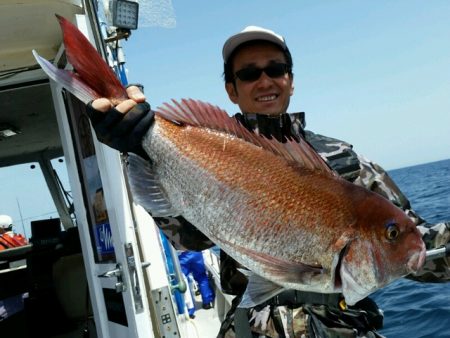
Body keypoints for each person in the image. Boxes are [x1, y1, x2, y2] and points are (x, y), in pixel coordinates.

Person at [86, 26, 450, 337]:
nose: (264, 80)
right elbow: (192, 239)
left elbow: (413, 244)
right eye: (248, 74)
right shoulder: (208, 148)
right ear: (231, 89)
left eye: (276, 69)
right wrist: (139, 146)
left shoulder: (345, 160)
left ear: (291, 80)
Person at [178, 250, 215, 319]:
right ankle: (207, 303)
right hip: (196, 253)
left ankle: (190, 311)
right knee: (202, 277)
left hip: (182, 256)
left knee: (183, 280)